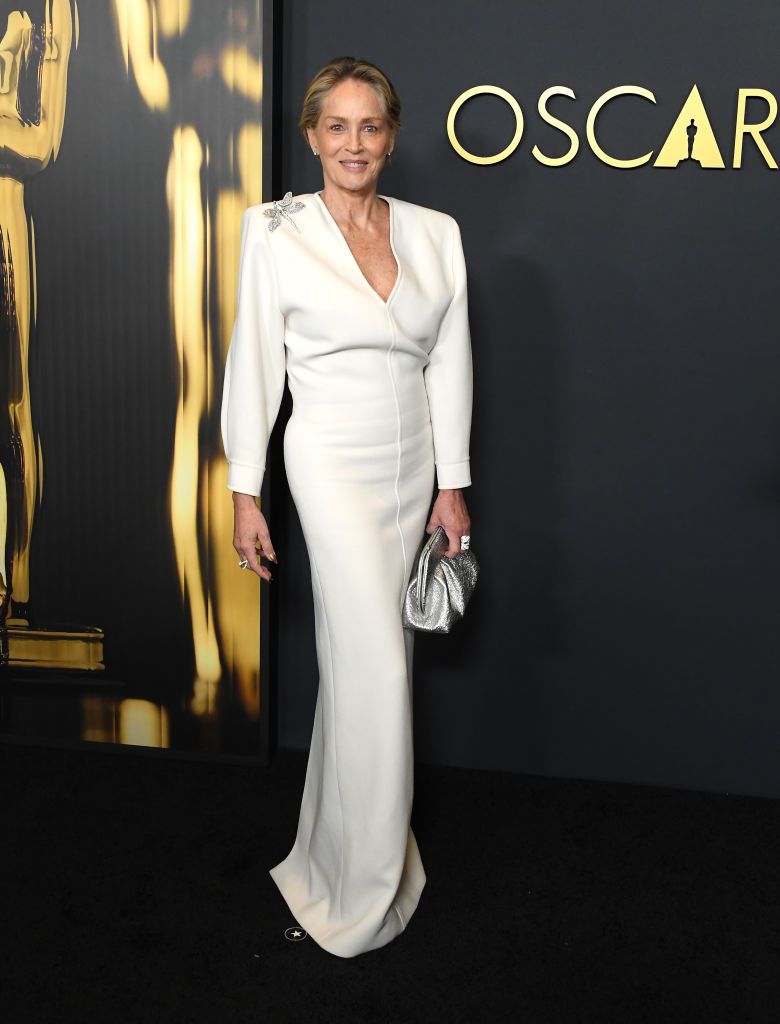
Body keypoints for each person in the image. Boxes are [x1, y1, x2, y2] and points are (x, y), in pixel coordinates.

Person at [220, 55, 474, 958]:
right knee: (372, 670)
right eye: (338, 127)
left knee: (373, 668)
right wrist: (245, 489)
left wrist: (454, 481)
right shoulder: (275, 230)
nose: (354, 143)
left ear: (392, 137)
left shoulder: (436, 232)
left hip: (414, 471)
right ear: (312, 135)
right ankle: (360, 898)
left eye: (371, 127)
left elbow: (450, 360)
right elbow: (253, 360)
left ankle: (337, 856)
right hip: (327, 462)